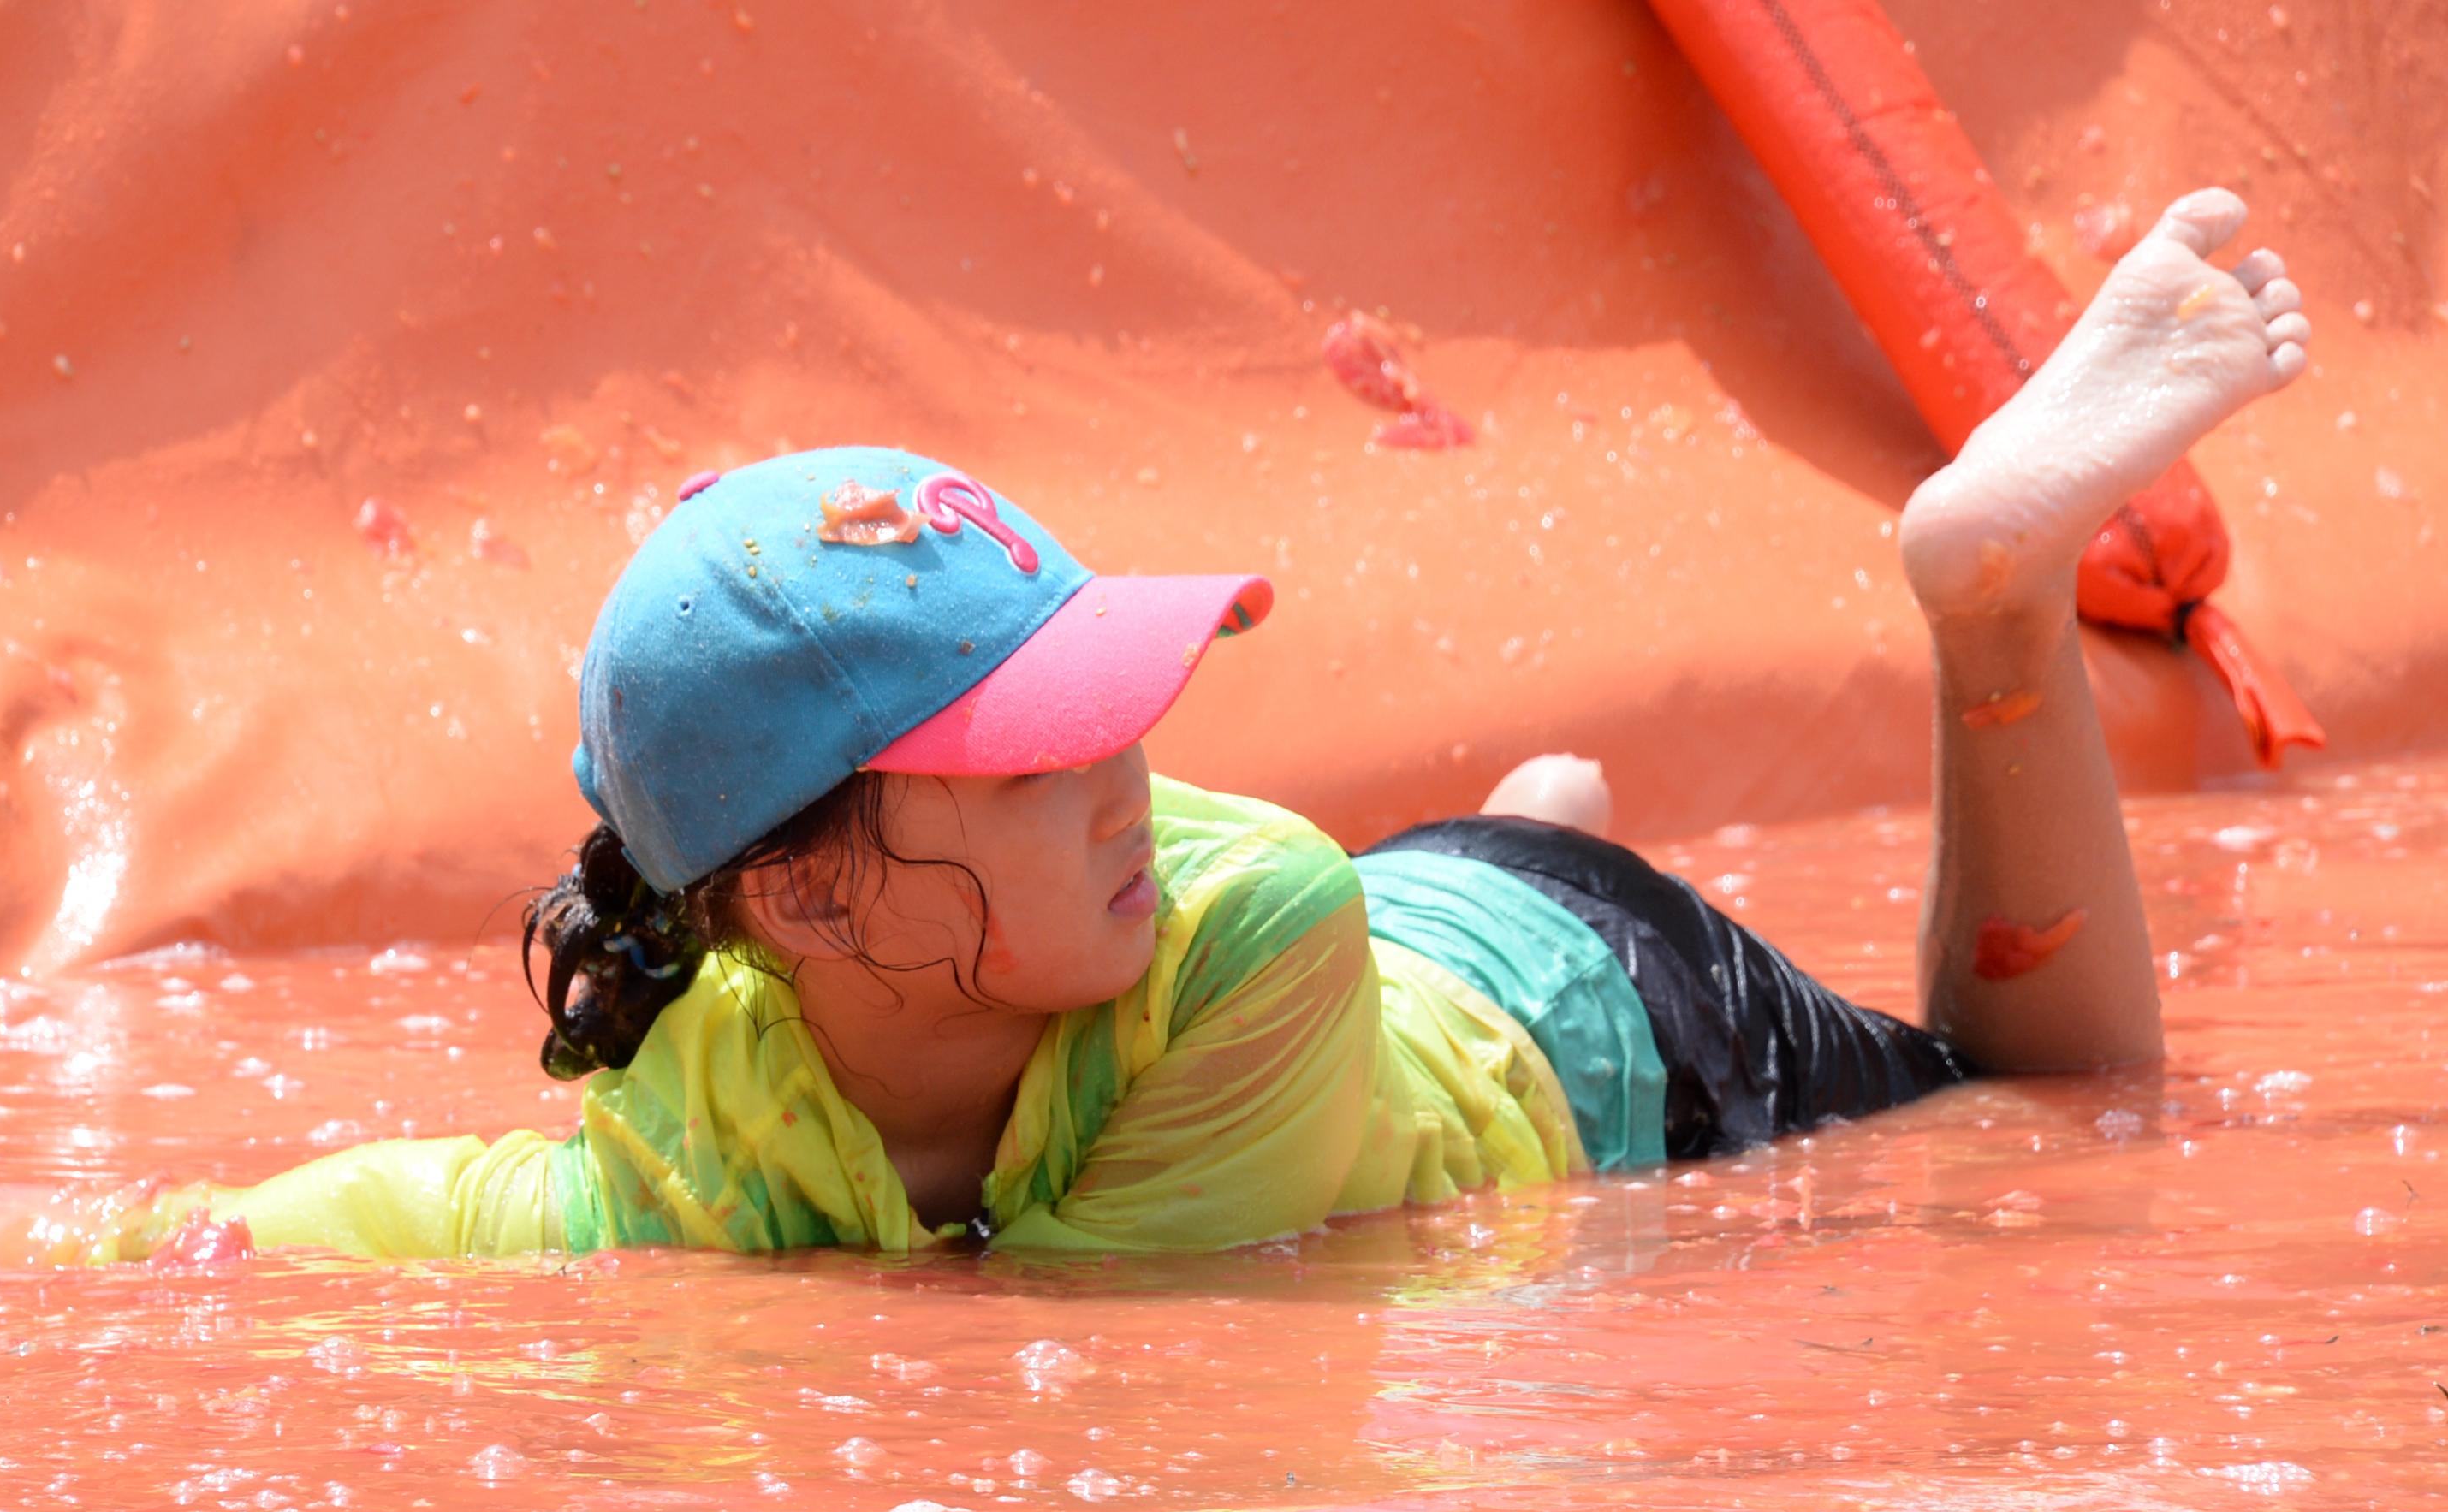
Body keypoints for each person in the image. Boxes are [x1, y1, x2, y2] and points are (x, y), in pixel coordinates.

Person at [140, 189, 2308, 1261]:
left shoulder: (1242, 904)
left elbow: (1070, 1386)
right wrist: (62, 1245)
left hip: (1583, 1015)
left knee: (2048, 1096)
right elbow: (426, 1208)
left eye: (1107, 705)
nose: (1127, 765)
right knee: (1508, 834)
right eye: (1034, 746)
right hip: (1418, 916)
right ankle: (1540, 810)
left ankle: (1989, 598)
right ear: (789, 887)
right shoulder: (704, 1109)